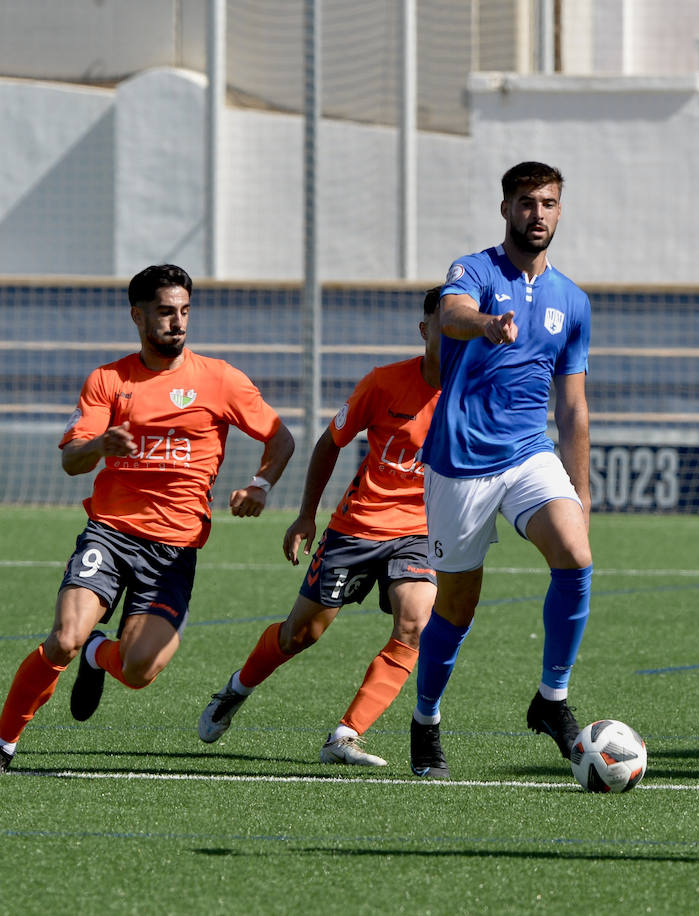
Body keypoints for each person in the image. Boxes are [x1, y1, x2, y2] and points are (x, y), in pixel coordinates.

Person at [0, 264, 294, 775]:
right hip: (111, 532)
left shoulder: (220, 378)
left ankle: (99, 654)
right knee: (63, 638)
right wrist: (100, 444)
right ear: (137, 316)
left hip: (174, 550)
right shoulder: (108, 380)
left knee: (140, 671)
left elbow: (280, 437)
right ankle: (0, 746)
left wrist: (260, 485)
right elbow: (71, 459)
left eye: (184, 311)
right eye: (165, 312)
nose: (178, 322)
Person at [197, 287, 442, 766]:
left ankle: (346, 735)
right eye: (445, 325)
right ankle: (236, 688)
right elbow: (330, 443)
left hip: (420, 533)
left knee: (414, 623)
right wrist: (307, 514)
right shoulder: (384, 383)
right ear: (425, 330)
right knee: (300, 636)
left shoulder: (476, 392)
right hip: (358, 525)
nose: (455, 336)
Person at [410, 161, 593, 779]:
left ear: (560, 210)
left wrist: (583, 493)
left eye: (547, 203)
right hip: (460, 459)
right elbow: (455, 311)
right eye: (524, 202)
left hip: (527, 452)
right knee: (457, 608)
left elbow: (571, 407)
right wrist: (486, 324)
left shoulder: (573, 300)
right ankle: (426, 720)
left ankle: (552, 699)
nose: (536, 213)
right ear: (506, 208)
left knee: (575, 555)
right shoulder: (476, 269)